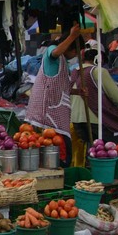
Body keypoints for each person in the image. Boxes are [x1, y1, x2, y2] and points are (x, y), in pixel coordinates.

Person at [25, 24, 82, 166]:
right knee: (59, 151)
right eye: (76, 52)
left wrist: (77, 91)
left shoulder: (64, 64)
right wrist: (72, 36)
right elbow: (55, 52)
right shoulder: (52, 52)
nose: (75, 56)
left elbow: (62, 88)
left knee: (62, 151)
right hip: (46, 113)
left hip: (58, 113)